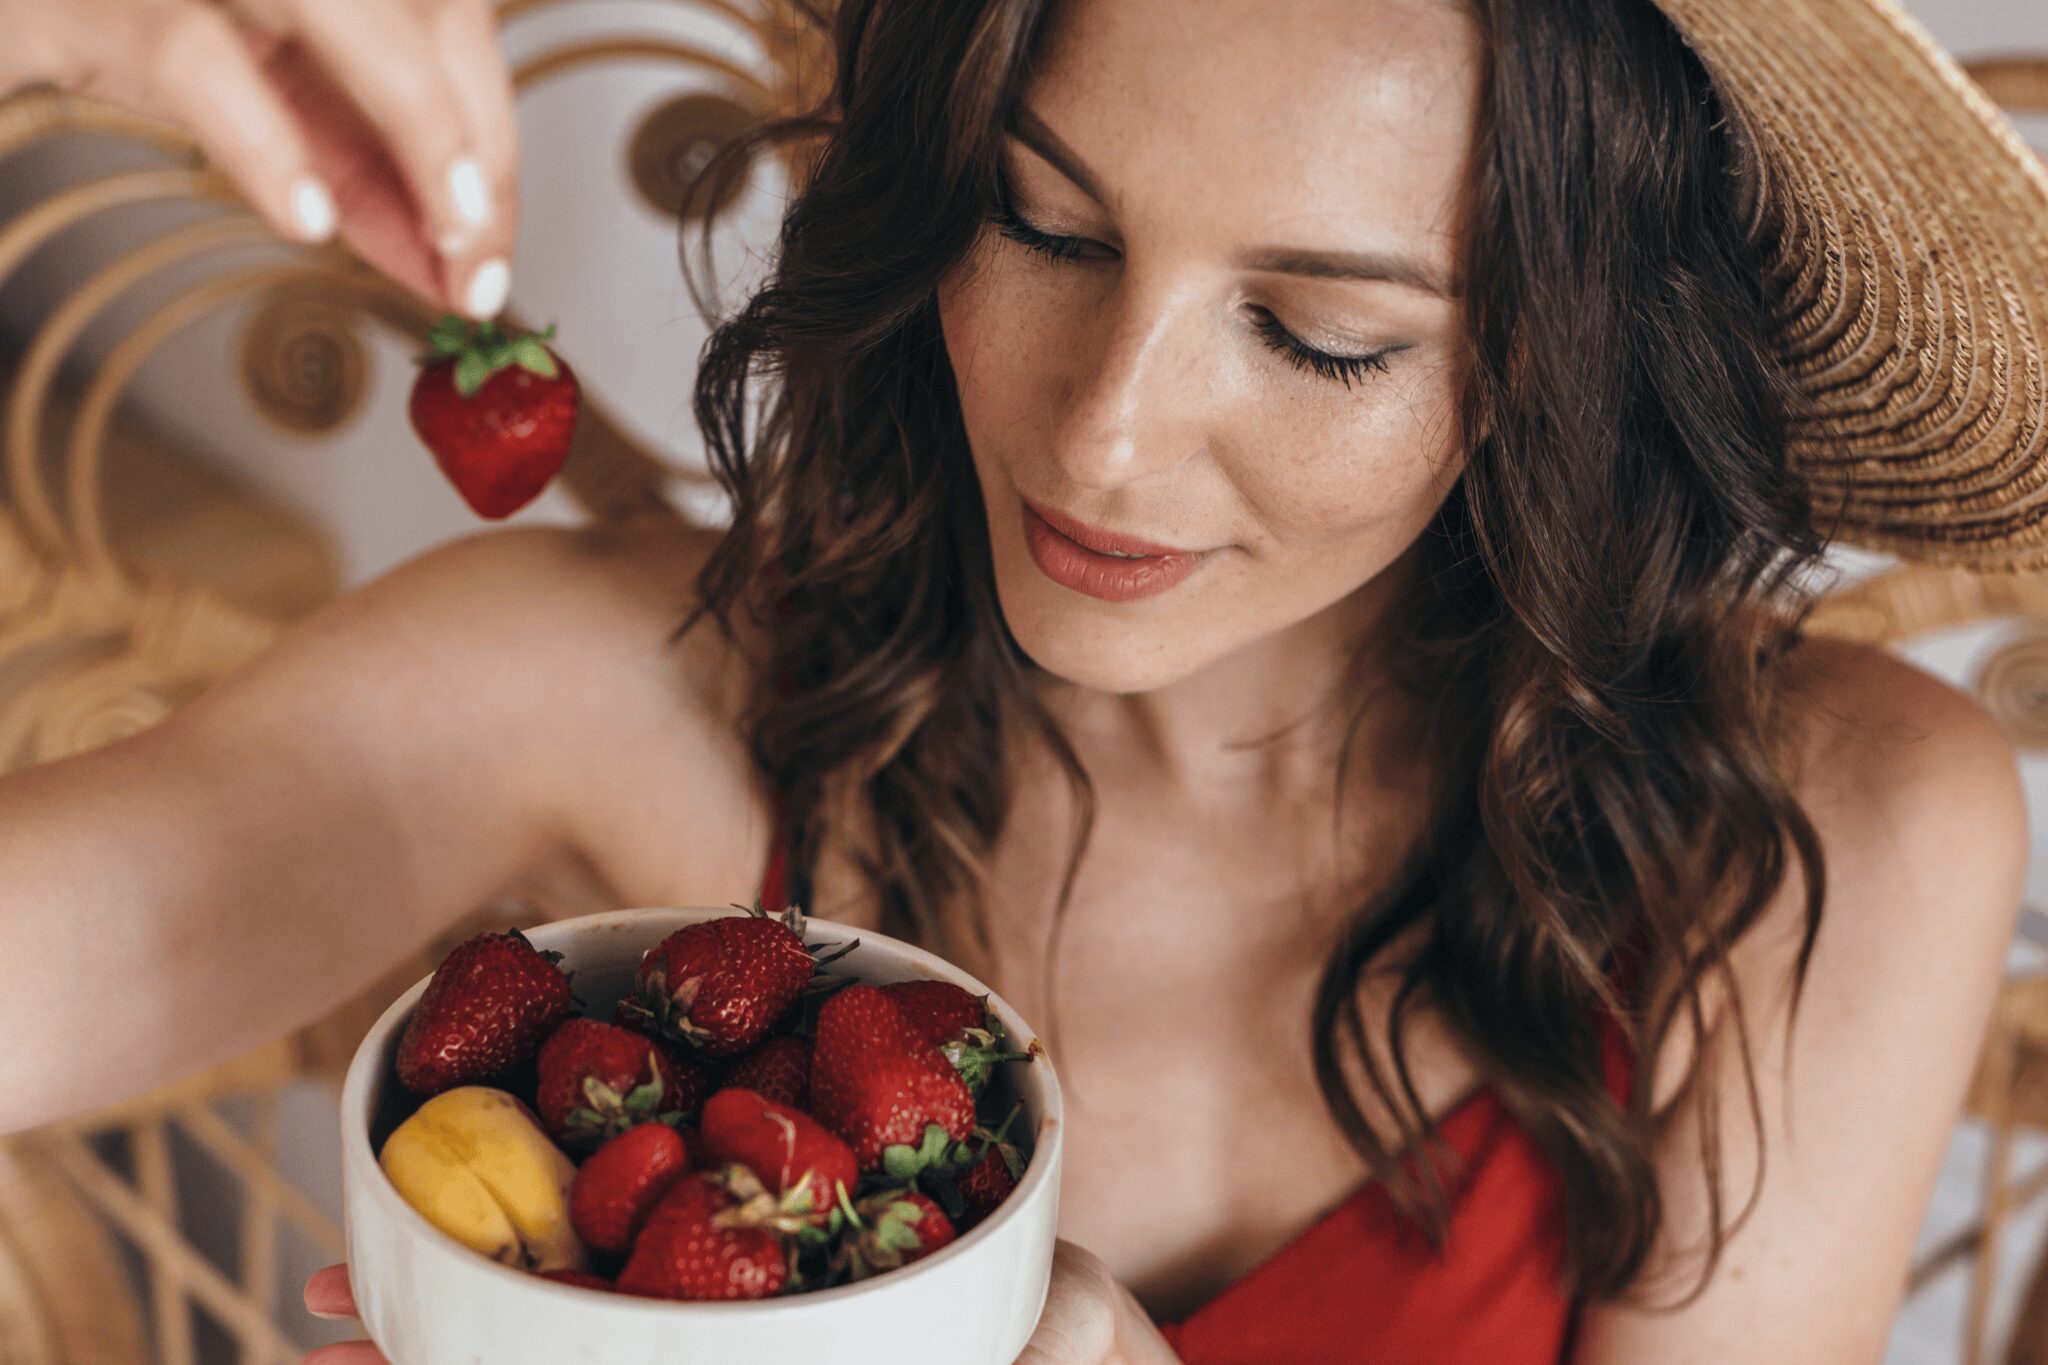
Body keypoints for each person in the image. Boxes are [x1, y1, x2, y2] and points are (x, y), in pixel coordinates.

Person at [1, 0, 2041, 1361]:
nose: (1099, 438)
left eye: (1318, 336)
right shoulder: (602, 678)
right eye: (1042, 222)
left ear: (1562, 361)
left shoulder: (1830, 832)